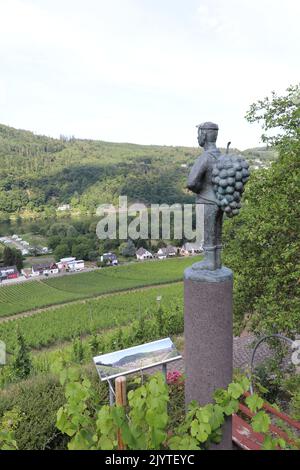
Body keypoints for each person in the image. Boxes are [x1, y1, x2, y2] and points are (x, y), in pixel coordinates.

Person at [187, 122, 223, 270]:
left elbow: (191, 182)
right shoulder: (220, 156)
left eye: (198, 134)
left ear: (204, 135)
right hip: (220, 201)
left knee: (209, 233)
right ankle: (217, 260)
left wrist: (200, 191)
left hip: (207, 201)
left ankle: (209, 262)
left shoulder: (205, 157)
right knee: (217, 232)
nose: (197, 137)